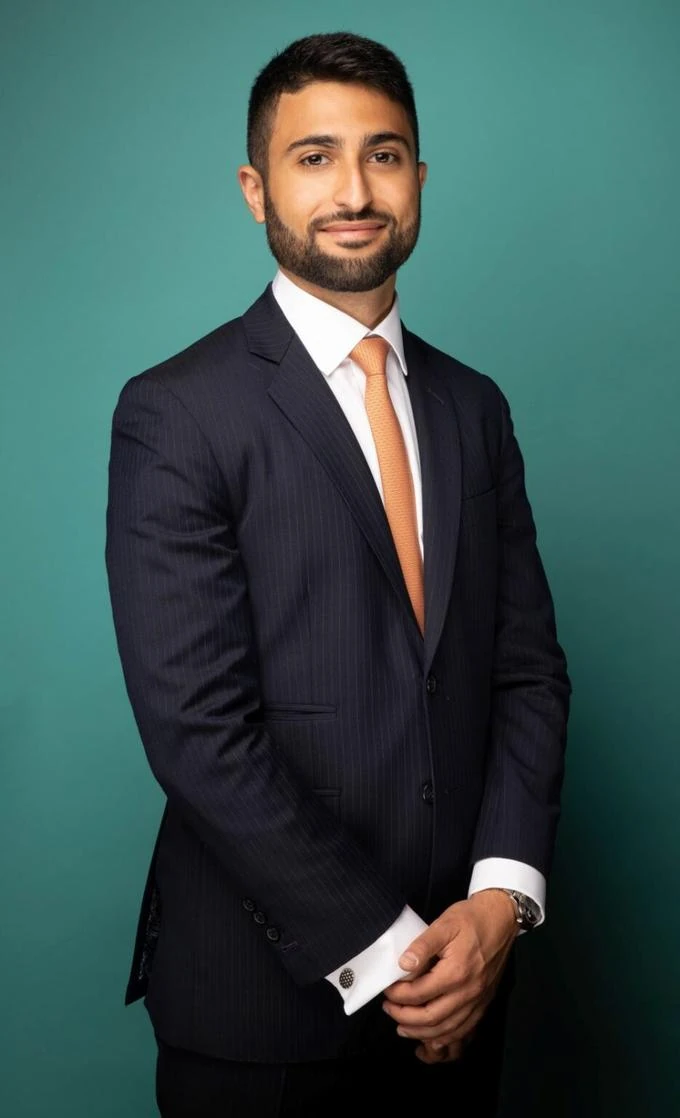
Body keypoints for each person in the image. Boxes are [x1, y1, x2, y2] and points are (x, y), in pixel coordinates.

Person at [105, 30, 571, 1118]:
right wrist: (396, 952)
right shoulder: (176, 411)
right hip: (263, 1010)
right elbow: (197, 729)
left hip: (470, 983)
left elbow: (525, 674)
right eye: (314, 157)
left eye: (383, 154)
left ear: (418, 179)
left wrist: (498, 905)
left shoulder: (473, 407)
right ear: (254, 189)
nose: (354, 191)